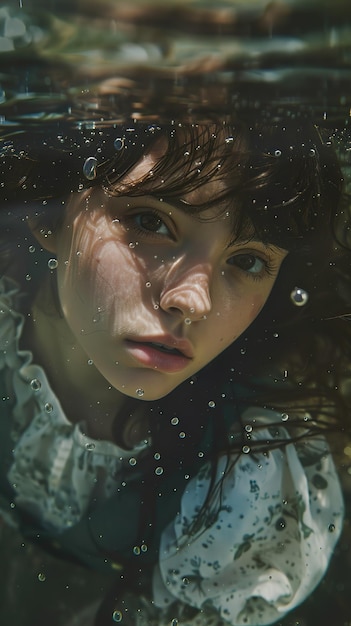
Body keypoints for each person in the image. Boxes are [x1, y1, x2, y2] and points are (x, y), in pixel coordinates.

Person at [0, 119, 349, 626]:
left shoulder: (251, 476)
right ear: (49, 217)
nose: (193, 299)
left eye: (248, 261)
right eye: (150, 222)